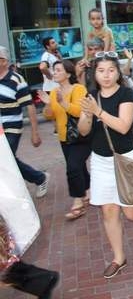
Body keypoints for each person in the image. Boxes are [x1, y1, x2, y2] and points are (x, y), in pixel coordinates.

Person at [77, 52, 133, 279]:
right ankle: (118, 257)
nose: (106, 75)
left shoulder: (126, 94)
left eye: (111, 70)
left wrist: (98, 112)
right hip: (100, 160)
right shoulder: (91, 95)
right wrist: (87, 115)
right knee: (109, 211)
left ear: (118, 72)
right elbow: (84, 131)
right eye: (101, 71)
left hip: (126, 159)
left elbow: (124, 126)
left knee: (131, 212)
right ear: (94, 74)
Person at [39, 61, 91, 220]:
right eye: (54, 70)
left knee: (73, 167)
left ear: (68, 74)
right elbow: (49, 116)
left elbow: (80, 111)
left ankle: (78, 202)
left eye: (58, 70)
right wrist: (48, 104)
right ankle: (87, 191)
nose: (54, 73)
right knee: (79, 166)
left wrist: (63, 102)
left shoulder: (79, 89)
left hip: (81, 136)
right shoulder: (54, 92)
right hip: (64, 137)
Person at [0, 46, 48, 198]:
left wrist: (35, 133)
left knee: (6, 159)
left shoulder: (16, 80)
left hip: (12, 128)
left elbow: (29, 106)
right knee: (8, 160)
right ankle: (39, 178)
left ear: (4, 61)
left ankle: (36, 180)